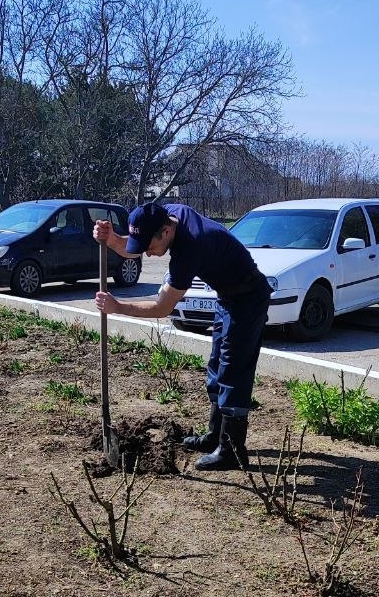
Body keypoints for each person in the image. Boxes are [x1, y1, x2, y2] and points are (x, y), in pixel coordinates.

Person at [93, 201, 271, 471]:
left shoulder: (190, 248)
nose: (149, 256)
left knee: (233, 371)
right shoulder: (168, 213)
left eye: (150, 248)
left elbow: (162, 308)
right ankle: (215, 436)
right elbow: (137, 244)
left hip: (249, 299)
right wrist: (112, 239)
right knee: (217, 366)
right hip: (228, 297)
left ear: (165, 232)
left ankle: (232, 451)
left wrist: (118, 307)